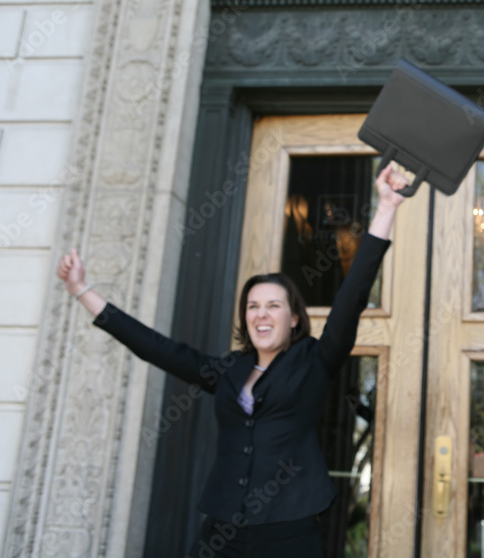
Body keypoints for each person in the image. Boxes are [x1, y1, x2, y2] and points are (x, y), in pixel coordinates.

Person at [58, 164, 409, 557]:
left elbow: (353, 296)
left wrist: (387, 207)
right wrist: (82, 291)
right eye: (253, 306)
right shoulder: (228, 370)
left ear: (294, 318)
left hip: (289, 533)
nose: (261, 314)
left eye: (273, 305)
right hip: (221, 531)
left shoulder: (314, 360)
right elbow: (156, 347)